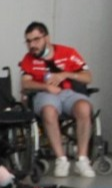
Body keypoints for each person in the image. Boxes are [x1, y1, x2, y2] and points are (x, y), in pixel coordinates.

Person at [19, 22, 96, 178]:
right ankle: (61, 159)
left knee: (84, 108)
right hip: (45, 94)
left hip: (68, 93)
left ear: (47, 38)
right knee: (48, 111)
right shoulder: (28, 59)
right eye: (28, 41)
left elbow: (88, 77)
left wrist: (65, 74)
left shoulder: (68, 52)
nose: (32, 45)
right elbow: (25, 83)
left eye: (36, 40)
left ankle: (82, 159)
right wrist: (46, 87)